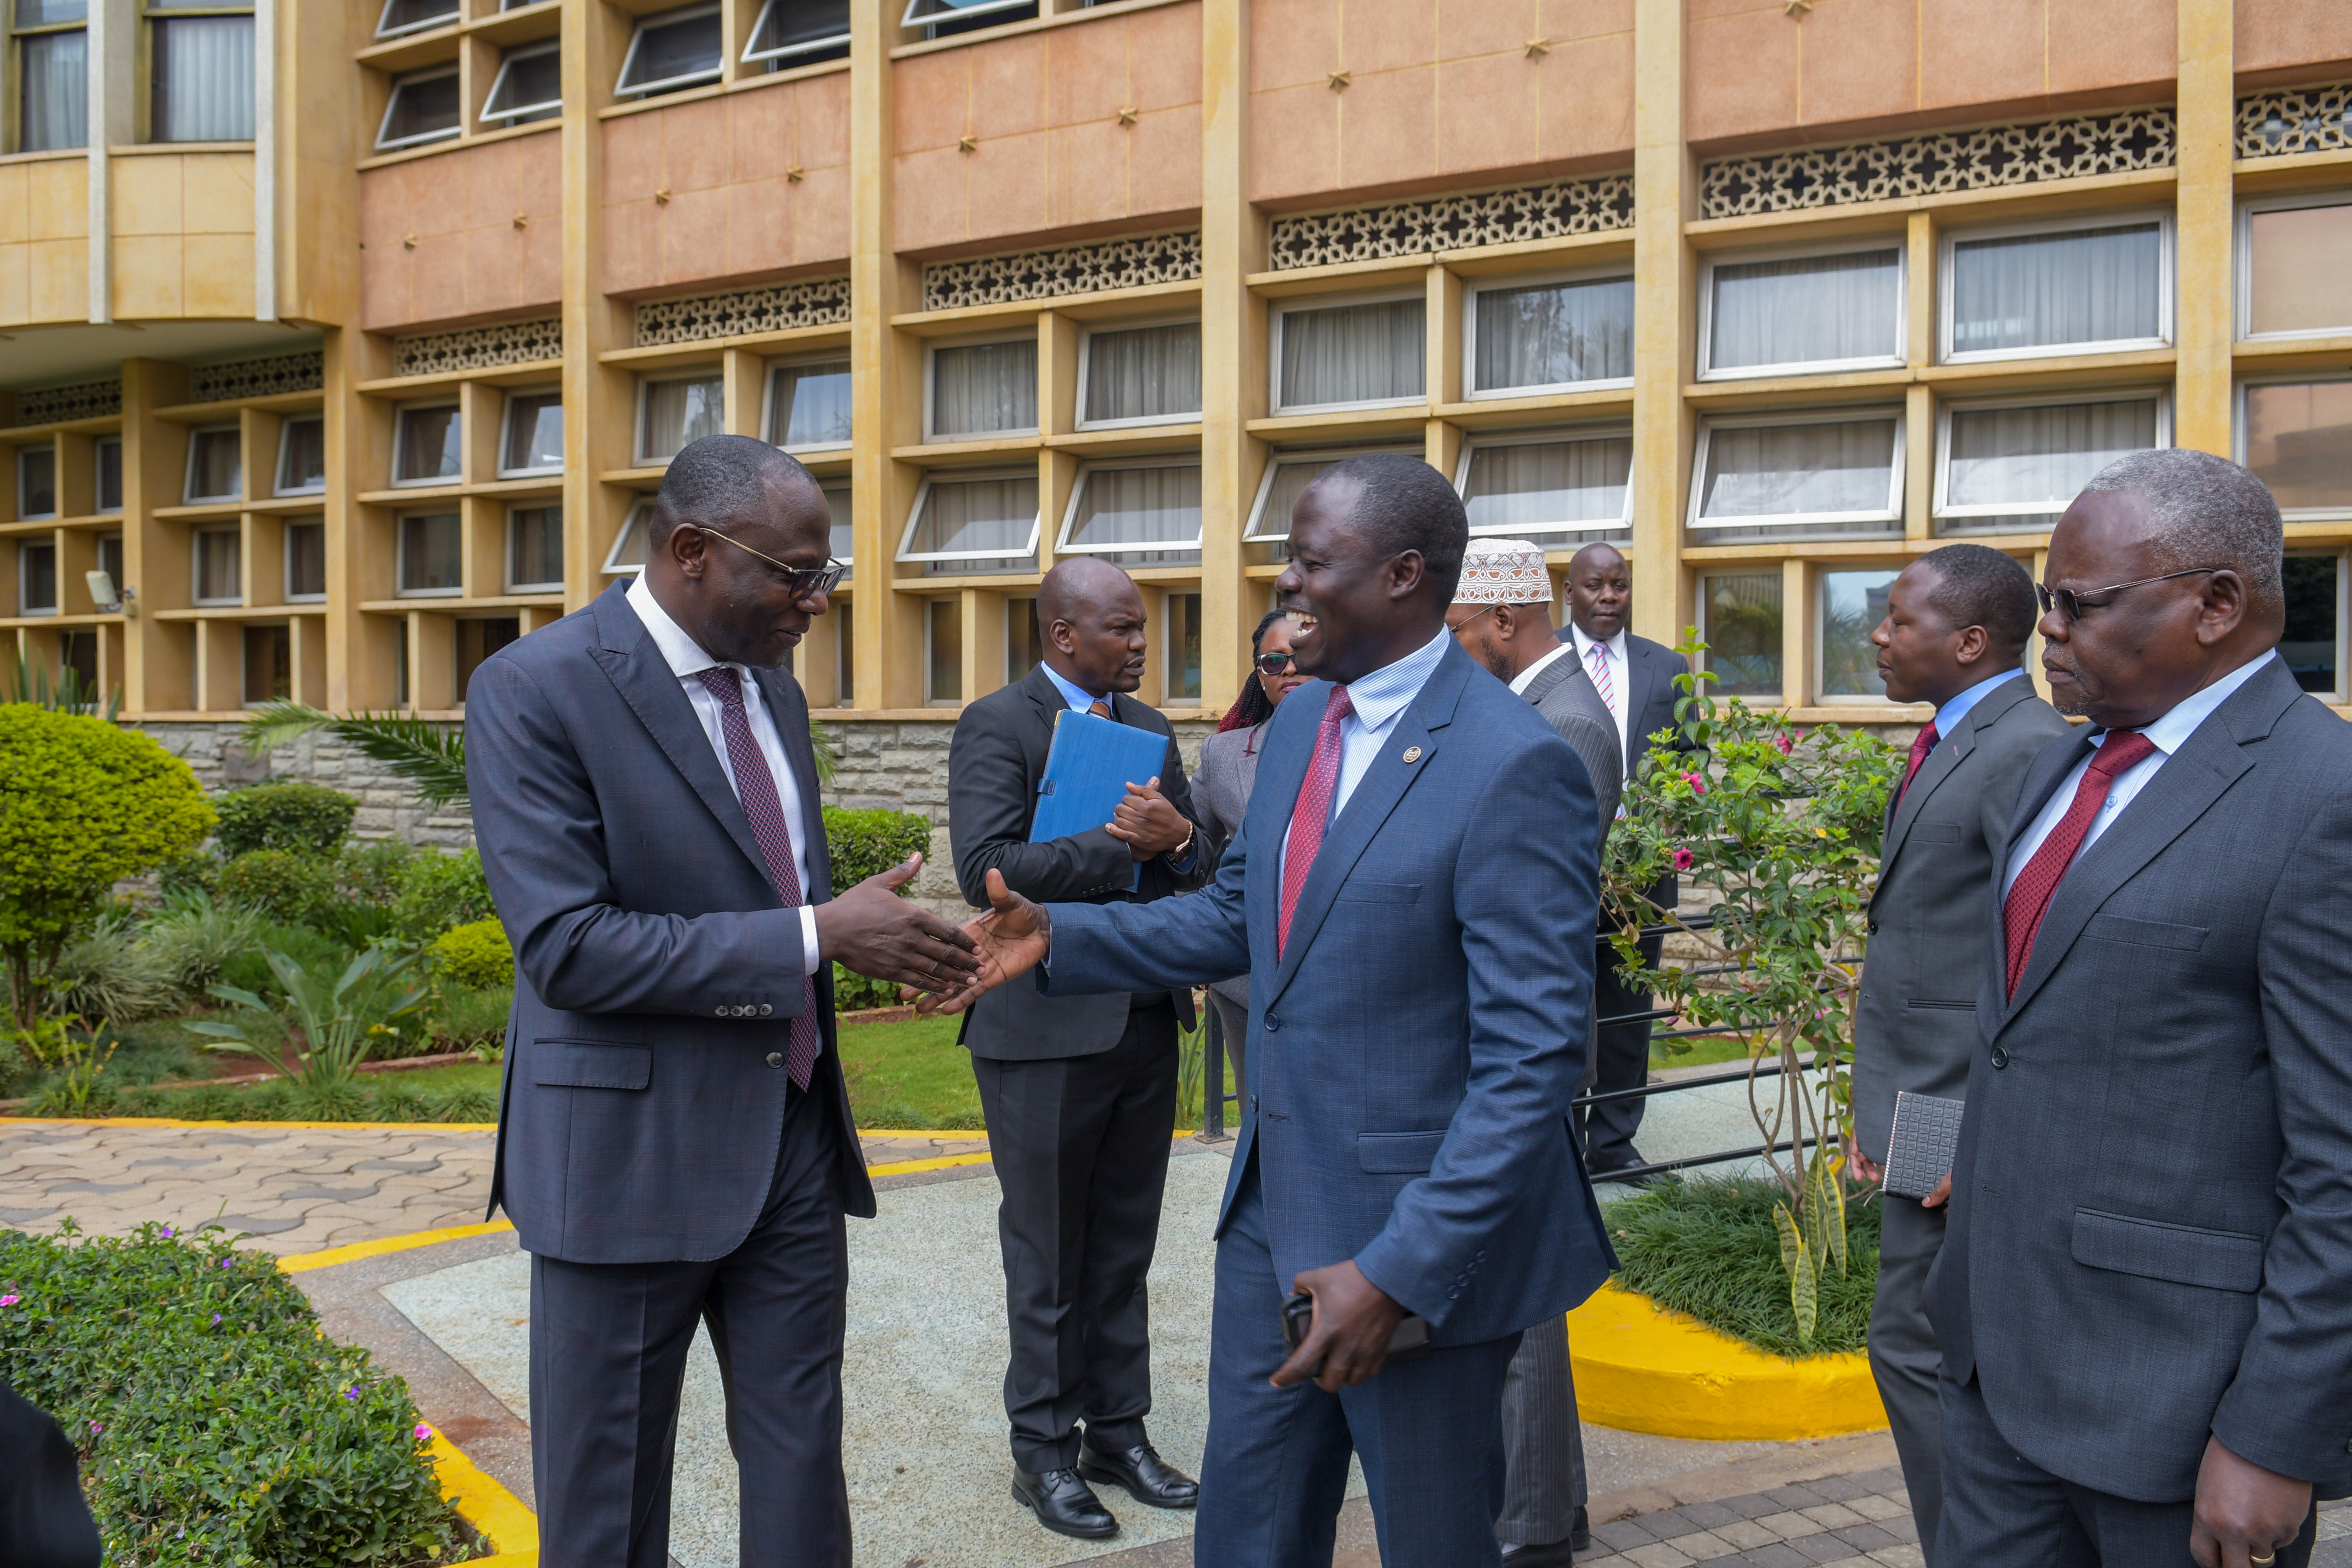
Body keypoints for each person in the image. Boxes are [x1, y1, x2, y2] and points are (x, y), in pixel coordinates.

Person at [921, 453, 1616, 1568]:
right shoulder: (1300, 731)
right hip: (1273, 1222)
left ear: (1401, 578)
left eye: (1308, 565)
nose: (1286, 591)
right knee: (1247, 1534)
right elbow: (1235, 919)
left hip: (1414, 1250)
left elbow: (1534, 1061)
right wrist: (1059, 940)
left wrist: (1397, 1270)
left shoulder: (1513, 763)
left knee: (1434, 1542)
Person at [465, 435, 981, 1568]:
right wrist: (814, 934)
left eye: (827, 575)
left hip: (790, 1138)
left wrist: (885, 942)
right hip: (625, 1157)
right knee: (609, 1504)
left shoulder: (773, 695)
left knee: (802, 1468)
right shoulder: (535, 689)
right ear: (692, 550)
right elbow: (569, 947)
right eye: (796, 574)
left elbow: (761, 892)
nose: (818, 600)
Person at [1923, 448, 2352, 1568]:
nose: (2047, 630)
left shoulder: (2324, 801)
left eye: (2077, 603)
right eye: (2044, 598)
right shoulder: (2055, 774)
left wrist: (2274, 1435)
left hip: (2177, 1415)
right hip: (1995, 1378)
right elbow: (2023, 1032)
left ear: (2217, 604)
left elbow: (2343, 1160)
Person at [945, 555, 1209, 1541]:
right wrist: (1123, 845)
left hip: (1142, 1018)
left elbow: (1197, 877)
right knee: (1049, 1249)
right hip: (1041, 1031)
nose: (1141, 644)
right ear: (1064, 636)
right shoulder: (996, 723)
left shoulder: (1148, 730)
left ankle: (1119, 1434)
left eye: (1142, 629)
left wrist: (1179, 839)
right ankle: (1044, 1453)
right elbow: (989, 872)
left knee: (1123, 1247)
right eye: (1123, 629)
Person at [1847, 544, 2069, 1565]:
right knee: (1919, 1342)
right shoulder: (1954, 738)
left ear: (1970, 639)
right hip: (1919, 1101)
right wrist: (1879, 1118)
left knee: (1913, 1343)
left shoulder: (2020, 748)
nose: (1879, 636)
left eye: (1898, 620)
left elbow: (2025, 966)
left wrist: (1954, 1134)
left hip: (1956, 1107)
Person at [1447, 536, 1623, 1565]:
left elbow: (1538, 912)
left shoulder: (1555, 722)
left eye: (1463, 635)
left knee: (1516, 1304)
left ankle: (1530, 1527)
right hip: (1522, 1045)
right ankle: (1549, 1508)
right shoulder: (1545, 706)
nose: (1460, 655)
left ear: (1503, 622)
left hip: (1520, 1052)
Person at [1557, 542, 1690, 1180]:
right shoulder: (1543, 663)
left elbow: (1690, 762)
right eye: (1594, 586)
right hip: (1560, 868)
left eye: (1619, 586)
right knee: (1561, 1002)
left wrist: (1664, 825)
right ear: (1569, 593)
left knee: (1629, 1006)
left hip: (1642, 877)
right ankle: (1557, 1142)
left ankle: (1612, 1146)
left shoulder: (1667, 668)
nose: (1608, 597)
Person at [1192, 608, 1309, 1108]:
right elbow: (1192, 853)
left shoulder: (1366, 742)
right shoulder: (1223, 753)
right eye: (1274, 660)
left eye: (1301, 656)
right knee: (1261, 1115)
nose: (1289, 670)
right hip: (1245, 980)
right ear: (1259, 674)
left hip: (1340, 971)